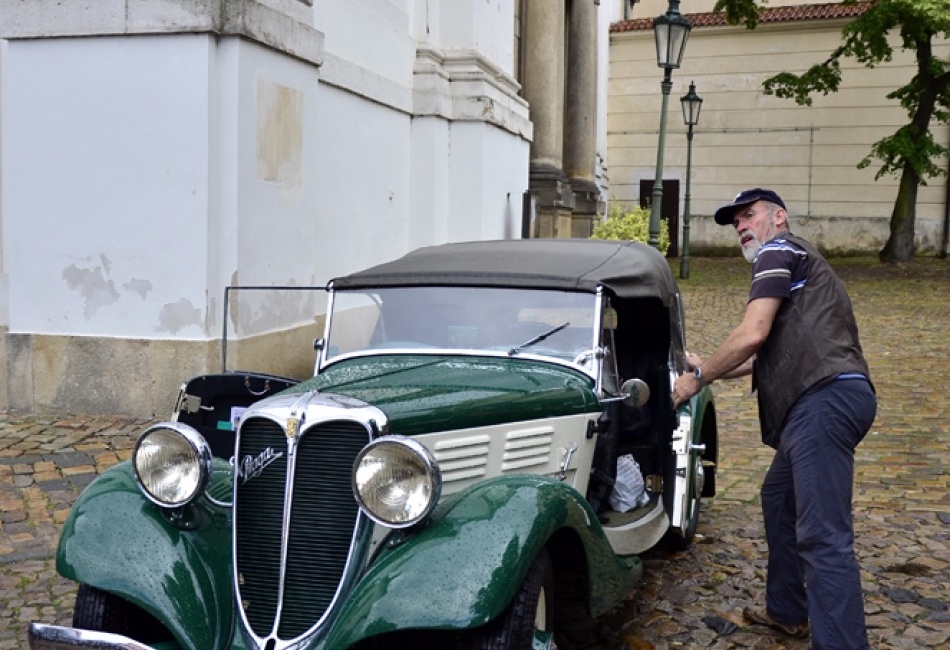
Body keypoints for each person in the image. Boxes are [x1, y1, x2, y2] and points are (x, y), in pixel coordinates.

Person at [671, 188, 876, 649]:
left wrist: (696, 379)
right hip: (830, 397)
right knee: (778, 498)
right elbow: (759, 352)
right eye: (736, 222)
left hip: (822, 400)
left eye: (749, 215)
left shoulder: (778, 250)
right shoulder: (795, 260)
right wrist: (708, 365)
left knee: (824, 538)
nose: (742, 226)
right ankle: (787, 610)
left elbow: (752, 332)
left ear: (778, 217)